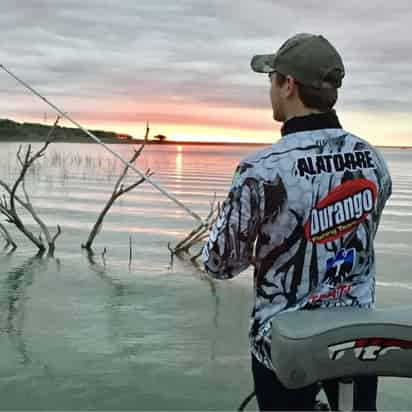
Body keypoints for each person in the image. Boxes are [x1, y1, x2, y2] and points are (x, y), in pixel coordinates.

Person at [201, 33, 392, 411]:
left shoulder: (261, 170)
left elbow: (219, 264)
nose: (269, 88)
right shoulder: (373, 160)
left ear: (288, 85)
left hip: (285, 345)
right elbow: (362, 233)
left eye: (272, 78)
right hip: (356, 341)